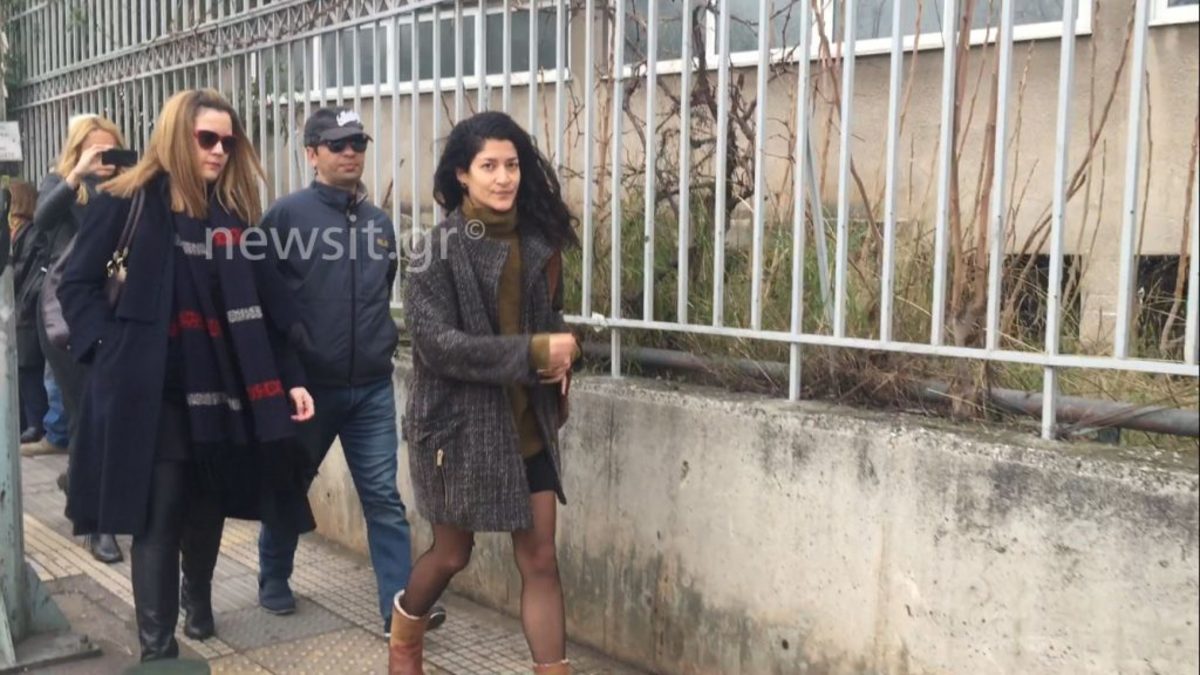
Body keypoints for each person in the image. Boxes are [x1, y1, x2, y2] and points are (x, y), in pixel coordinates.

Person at [58, 89, 318, 662]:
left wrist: (292, 377)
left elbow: (270, 308)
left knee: (206, 507)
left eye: (228, 140)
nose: (220, 150)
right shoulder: (125, 201)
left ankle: (196, 592)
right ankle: (158, 650)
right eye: (207, 138)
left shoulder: (234, 216)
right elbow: (74, 283)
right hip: (151, 393)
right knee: (159, 513)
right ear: (178, 136)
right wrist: (107, 346)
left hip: (223, 391)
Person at [391, 111, 579, 674]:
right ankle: (404, 640)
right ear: (462, 175)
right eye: (489, 166)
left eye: (512, 165)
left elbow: (548, 322)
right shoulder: (434, 251)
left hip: (526, 425)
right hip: (457, 429)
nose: (503, 178)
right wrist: (534, 352)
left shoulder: (540, 244)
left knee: (540, 559)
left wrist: (566, 352)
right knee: (453, 554)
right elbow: (439, 347)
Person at [256, 105, 444, 635]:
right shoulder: (285, 218)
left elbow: (382, 289)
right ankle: (273, 576)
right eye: (337, 144)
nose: (350, 153)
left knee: (383, 497)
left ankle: (399, 611)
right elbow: (266, 301)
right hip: (308, 387)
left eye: (358, 143)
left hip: (370, 388)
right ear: (311, 154)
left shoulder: (380, 224)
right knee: (290, 484)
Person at [30, 114, 127, 562]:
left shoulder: (126, 188)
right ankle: (100, 524)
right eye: (95, 150)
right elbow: (41, 220)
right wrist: (78, 175)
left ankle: (80, 484)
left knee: (108, 414)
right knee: (87, 412)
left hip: (116, 309)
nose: (104, 159)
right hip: (65, 315)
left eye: (110, 150)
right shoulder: (62, 184)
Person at [10, 178, 52, 450]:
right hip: (20, 308)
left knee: (29, 369)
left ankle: (35, 422)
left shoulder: (32, 232)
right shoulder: (20, 232)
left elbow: (22, 269)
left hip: (26, 309)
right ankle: (27, 421)